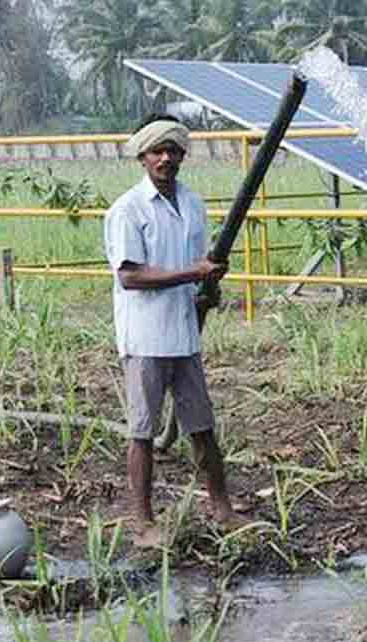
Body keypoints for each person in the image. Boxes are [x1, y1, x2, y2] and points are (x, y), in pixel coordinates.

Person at [103, 113, 234, 547]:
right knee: (142, 429)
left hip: (183, 334)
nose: (166, 158)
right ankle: (142, 522)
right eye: (158, 151)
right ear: (142, 156)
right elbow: (131, 277)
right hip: (146, 337)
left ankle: (221, 508)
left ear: (182, 155)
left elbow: (198, 269)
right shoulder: (128, 210)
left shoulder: (193, 204)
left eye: (173, 150)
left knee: (202, 425)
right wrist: (191, 274)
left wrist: (206, 286)